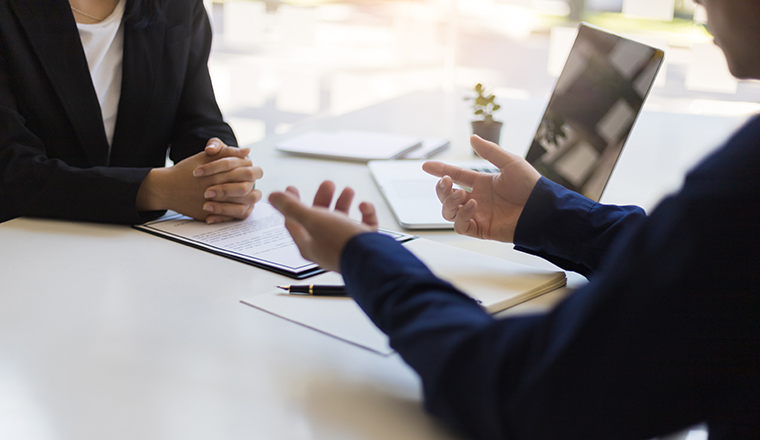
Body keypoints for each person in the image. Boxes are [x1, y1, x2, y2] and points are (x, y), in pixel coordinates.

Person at [267, 0, 760, 438]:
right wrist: (545, 213)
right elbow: (695, 264)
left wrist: (366, 257)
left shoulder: (742, 183)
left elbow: (519, 387)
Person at [0, 0, 262, 225]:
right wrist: (153, 190)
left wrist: (224, 171)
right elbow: (11, 172)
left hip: (137, 252)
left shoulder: (175, 5)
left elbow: (197, 117)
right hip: (26, 247)